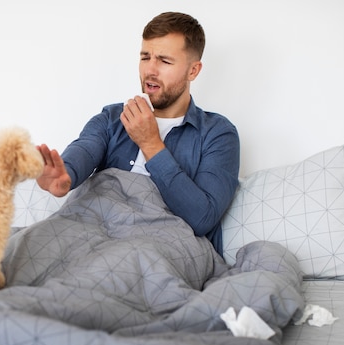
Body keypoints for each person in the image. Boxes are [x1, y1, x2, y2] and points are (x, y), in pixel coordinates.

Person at [36, 11, 240, 254]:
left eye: (164, 61)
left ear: (193, 71)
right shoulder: (112, 118)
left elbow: (202, 217)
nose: (150, 70)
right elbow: (85, 148)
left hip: (161, 249)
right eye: (145, 57)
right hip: (93, 236)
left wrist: (150, 143)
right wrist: (65, 176)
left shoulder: (218, 134)